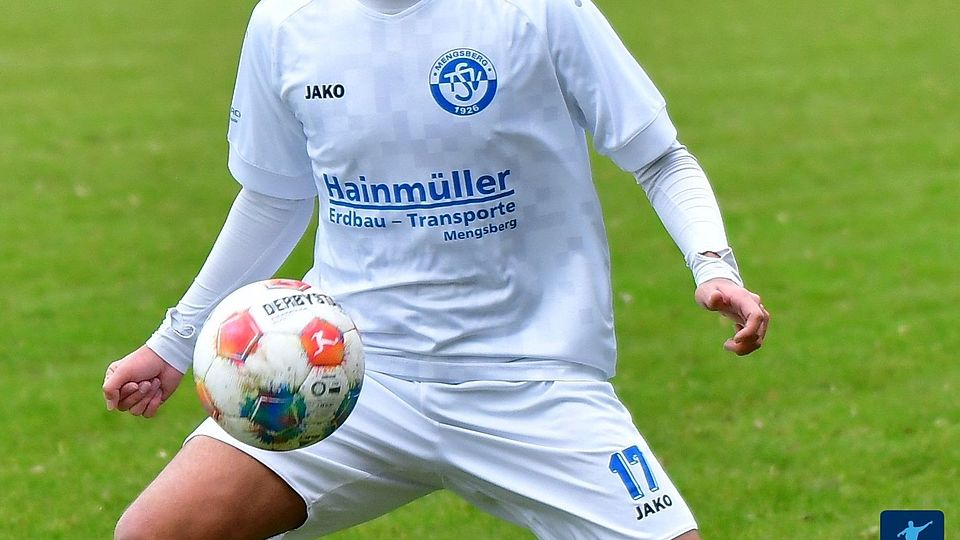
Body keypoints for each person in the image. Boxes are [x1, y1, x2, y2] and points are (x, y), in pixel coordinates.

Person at [102, 0, 769, 538]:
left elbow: (659, 157)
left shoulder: (540, 11)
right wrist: (174, 344)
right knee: (155, 533)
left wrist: (713, 264)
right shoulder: (286, 22)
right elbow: (275, 197)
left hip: (529, 380)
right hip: (345, 377)